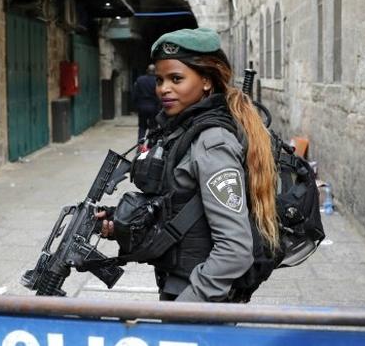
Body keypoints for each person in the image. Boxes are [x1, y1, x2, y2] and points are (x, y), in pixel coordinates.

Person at [101, 27, 278, 302]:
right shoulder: (182, 129)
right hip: (182, 286)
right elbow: (176, 206)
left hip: (202, 297)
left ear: (206, 81)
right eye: (160, 80)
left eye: (176, 79)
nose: (163, 89)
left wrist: (186, 308)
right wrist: (120, 222)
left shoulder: (212, 142)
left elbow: (235, 249)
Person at [131, 63, 160, 144]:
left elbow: (135, 94)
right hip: (154, 107)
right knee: (153, 127)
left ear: (147, 71)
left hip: (142, 107)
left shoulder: (140, 80)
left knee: (142, 127)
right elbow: (159, 95)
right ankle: (151, 145)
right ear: (155, 71)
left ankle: (140, 146)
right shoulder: (157, 81)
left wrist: (136, 106)